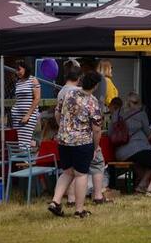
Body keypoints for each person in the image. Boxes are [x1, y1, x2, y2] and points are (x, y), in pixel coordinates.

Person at [48, 71, 103, 218]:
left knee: (67, 172)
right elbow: (97, 129)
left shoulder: (68, 94)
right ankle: (79, 210)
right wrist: (95, 147)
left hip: (63, 140)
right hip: (82, 142)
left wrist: (63, 128)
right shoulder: (92, 101)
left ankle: (55, 201)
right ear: (95, 86)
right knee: (80, 175)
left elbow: (57, 113)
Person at [112, 92, 151, 196]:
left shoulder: (116, 113)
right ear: (138, 103)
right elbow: (148, 133)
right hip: (137, 149)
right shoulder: (141, 114)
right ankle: (150, 189)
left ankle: (142, 185)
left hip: (120, 153)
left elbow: (110, 133)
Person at [11, 60, 41, 149]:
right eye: (16, 70)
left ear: (25, 68)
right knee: (19, 142)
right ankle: (22, 157)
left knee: (25, 142)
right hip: (17, 116)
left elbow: (37, 98)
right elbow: (19, 99)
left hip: (28, 116)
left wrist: (28, 115)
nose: (17, 72)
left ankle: (26, 157)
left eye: (19, 69)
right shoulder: (18, 82)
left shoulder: (33, 80)